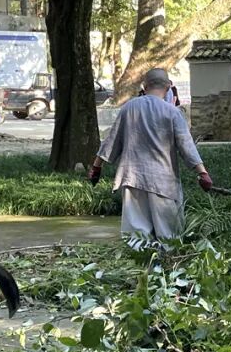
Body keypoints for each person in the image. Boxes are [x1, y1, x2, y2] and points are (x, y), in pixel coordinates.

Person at [89, 67, 212, 239]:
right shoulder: (173, 113)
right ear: (168, 87)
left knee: (137, 239)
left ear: (144, 86)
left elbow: (111, 141)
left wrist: (96, 168)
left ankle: (143, 265)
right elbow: (186, 145)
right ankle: (168, 264)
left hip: (133, 180)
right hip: (163, 184)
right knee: (169, 237)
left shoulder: (128, 108)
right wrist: (202, 173)